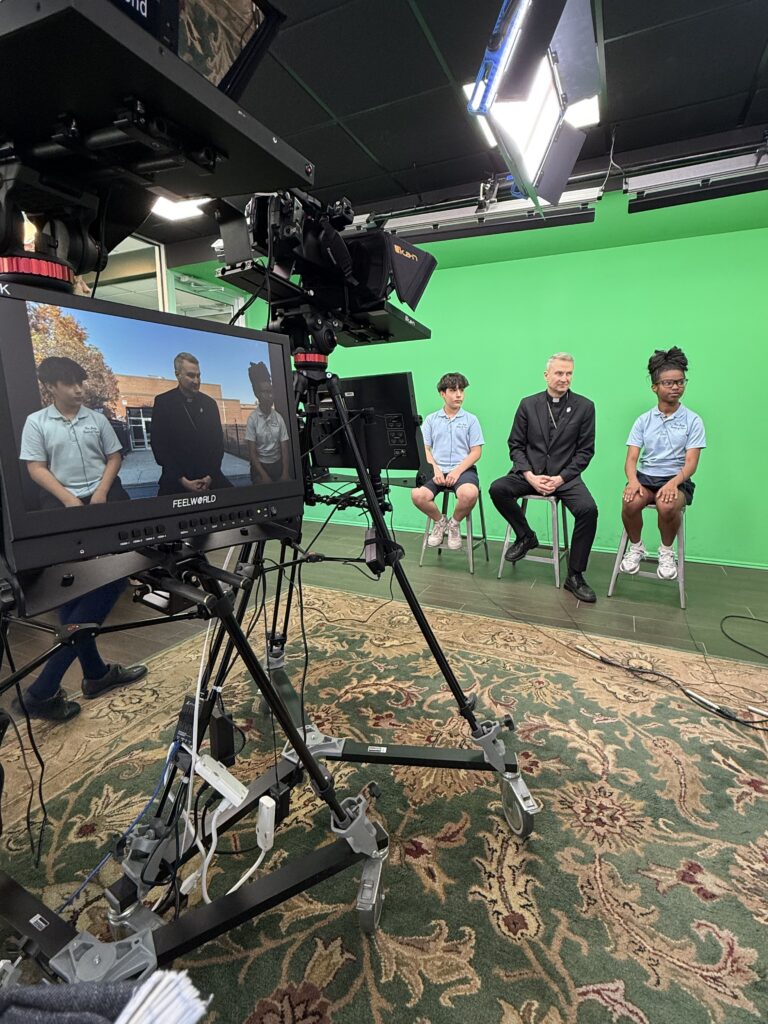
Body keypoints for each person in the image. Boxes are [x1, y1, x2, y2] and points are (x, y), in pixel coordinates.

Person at [17, 356, 147, 721]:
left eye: (80, 382)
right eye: (69, 383)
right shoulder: (37, 423)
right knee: (80, 585)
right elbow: (35, 467)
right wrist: (69, 500)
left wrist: (101, 493)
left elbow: (114, 456)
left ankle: (95, 675)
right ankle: (43, 691)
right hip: (61, 508)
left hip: (105, 501)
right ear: (51, 387)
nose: (77, 389)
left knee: (115, 572)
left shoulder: (96, 419)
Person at [489, 353, 598, 602]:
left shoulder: (585, 407)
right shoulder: (528, 404)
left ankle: (575, 576)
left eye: (569, 373)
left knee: (588, 510)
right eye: (559, 373)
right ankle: (526, 535)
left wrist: (560, 478)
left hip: (565, 477)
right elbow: (515, 445)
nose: (564, 378)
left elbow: (585, 452)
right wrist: (529, 476)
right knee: (498, 489)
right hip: (531, 473)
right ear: (547, 375)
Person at [620, 347, 705, 580]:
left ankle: (666, 552)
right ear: (655, 387)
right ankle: (636, 547)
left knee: (666, 504)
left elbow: (691, 463)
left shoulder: (693, 420)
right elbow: (632, 459)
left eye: (680, 382)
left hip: (677, 480)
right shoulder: (643, 420)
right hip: (646, 477)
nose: (676, 387)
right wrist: (632, 481)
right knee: (630, 502)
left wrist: (673, 483)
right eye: (669, 383)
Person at [411, 372, 484, 551]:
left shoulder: (471, 420)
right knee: (417, 495)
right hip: (436, 469)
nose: (459, 395)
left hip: (463, 470)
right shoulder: (431, 420)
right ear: (443, 394)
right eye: (453, 390)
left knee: (469, 494)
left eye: (461, 390)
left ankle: (454, 524)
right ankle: (440, 522)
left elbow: (476, 452)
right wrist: (434, 469)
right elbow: (425, 449)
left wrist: (457, 471)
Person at [151, 352, 232, 496]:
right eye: (191, 375)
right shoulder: (163, 403)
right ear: (178, 375)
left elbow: (218, 445)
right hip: (176, 479)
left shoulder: (210, 404)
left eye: (198, 375)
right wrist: (183, 481)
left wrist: (209, 477)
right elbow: (159, 448)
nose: (196, 381)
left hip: (210, 477)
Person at [246, 379, 290, 483]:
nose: (270, 396)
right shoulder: (252, 418)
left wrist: (285, 473)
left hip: (277, 464)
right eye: (265, 392)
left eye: (271, 392)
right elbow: (252, 453)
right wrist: (264, 476)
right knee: (264, 491)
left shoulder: (279, 418)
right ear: (258, 395)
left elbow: (284, 448)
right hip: (260, 466)